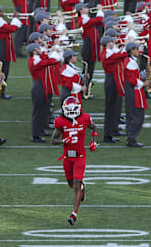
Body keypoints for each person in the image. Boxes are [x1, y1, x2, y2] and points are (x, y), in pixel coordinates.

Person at [51, 96, 100, 226]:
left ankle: (74, 214)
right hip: (67, 158)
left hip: (80, 156)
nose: (72, 112)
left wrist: (94, 142)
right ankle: (82, 188)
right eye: (69, 109)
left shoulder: (85, 118)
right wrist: (63, 141)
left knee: (76, 184)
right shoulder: (60, 121)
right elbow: (53, 140)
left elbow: (94, 128)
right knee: (71, 184)